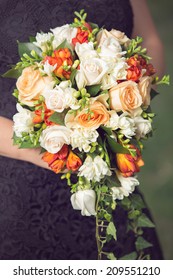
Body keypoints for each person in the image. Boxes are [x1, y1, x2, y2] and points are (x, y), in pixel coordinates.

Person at [0, 0, 165, 259]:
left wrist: (127, 108)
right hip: (19, 192)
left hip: (110, 177)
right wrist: (47, 151)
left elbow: (150, 40)